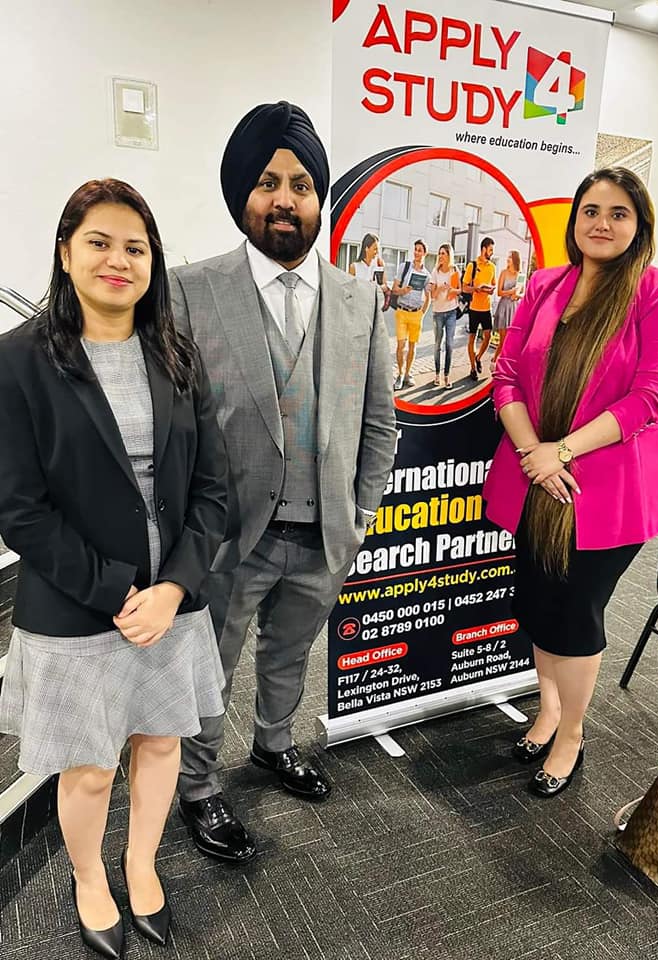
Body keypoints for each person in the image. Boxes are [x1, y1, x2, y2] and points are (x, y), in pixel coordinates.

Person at [0, 179, 229, 957]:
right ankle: (89, 876)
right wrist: (119, 590)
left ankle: (140, 862)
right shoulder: (18, 361)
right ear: (66, 253)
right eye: (99, 242)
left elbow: (214, 488)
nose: (118, 259)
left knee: (160, 742)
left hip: (171, 605)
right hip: (77, 605)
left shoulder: (175, 353)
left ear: (152, 262)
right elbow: (19, 508)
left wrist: (174, 587)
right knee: (91, 768)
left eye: (136, 247)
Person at [169, 101, 396, 862]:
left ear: (319, 196)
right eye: (267, 182)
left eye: (301, 184)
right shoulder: (190, 290)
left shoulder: (361, 300)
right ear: (242, 193)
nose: (285, 200)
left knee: (290, 653)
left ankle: (272, 744)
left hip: (325, 530)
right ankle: (198, 786)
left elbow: (379, 424)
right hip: (228, 535)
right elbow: (174, 428)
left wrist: (359, 514)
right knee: (209, 668)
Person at [483, 167, 658, 799]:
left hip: (607, 491)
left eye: (618, 213)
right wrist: (534, 454)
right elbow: (507, 374)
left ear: (640, 225)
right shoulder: (545, 285)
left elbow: (654, 391)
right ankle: (548, 711)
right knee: (537, 606)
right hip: (535, 480)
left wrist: (563, 452)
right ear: (575, 221)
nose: (601, 223)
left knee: (575, 615)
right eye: (590, 211)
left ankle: (572, 732)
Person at [391, 239, 431, 390]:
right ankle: (400, 374)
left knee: (412, 346)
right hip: (402, 311)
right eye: (415, 249)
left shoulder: (426, 275)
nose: (416, 253)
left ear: (425, 253)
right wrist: (403, 290)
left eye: (420, 250)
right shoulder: (404, 267)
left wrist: (422, 314)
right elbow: (394, 289)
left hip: (416, 314)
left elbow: (428, 297)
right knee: (401, 345)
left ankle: (408, 373)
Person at [462, 237, 496, 382]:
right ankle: (472, 368)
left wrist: (490, 290)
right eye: (490, 250)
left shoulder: (492, 267)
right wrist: (476, 288)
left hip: (486, 308)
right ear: (483, 249)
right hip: (474, 308)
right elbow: (464, 287)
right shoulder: (472, 265)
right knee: (472, 338)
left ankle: (478, 357)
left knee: (488, 337)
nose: (492, 252)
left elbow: (493, 285)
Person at [428, 242, 460, 389]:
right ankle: (437, 375)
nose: (440, 256)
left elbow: (460, 290)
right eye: (439, 253)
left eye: (443, 253)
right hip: (438, 313)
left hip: (451, 311)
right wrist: (440, 288)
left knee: (449, 344)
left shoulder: (455, 270)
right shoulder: (435, 272)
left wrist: (452, 290)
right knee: (437, 345)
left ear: (449, 255)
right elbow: (433, 296)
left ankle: (446, 376)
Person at [492, 250, 522, 367]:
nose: (507, 259)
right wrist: (511, 292)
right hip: (503, 308)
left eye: (510, 257)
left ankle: (501, 363)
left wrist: (517, 295)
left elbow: (521, 293)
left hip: (513, 308)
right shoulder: (504, 273)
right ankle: (495, 361)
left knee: (510, 340)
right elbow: (499, 292)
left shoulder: (520, 275)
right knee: (503, 339)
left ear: (515, 259)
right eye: (508, 257)